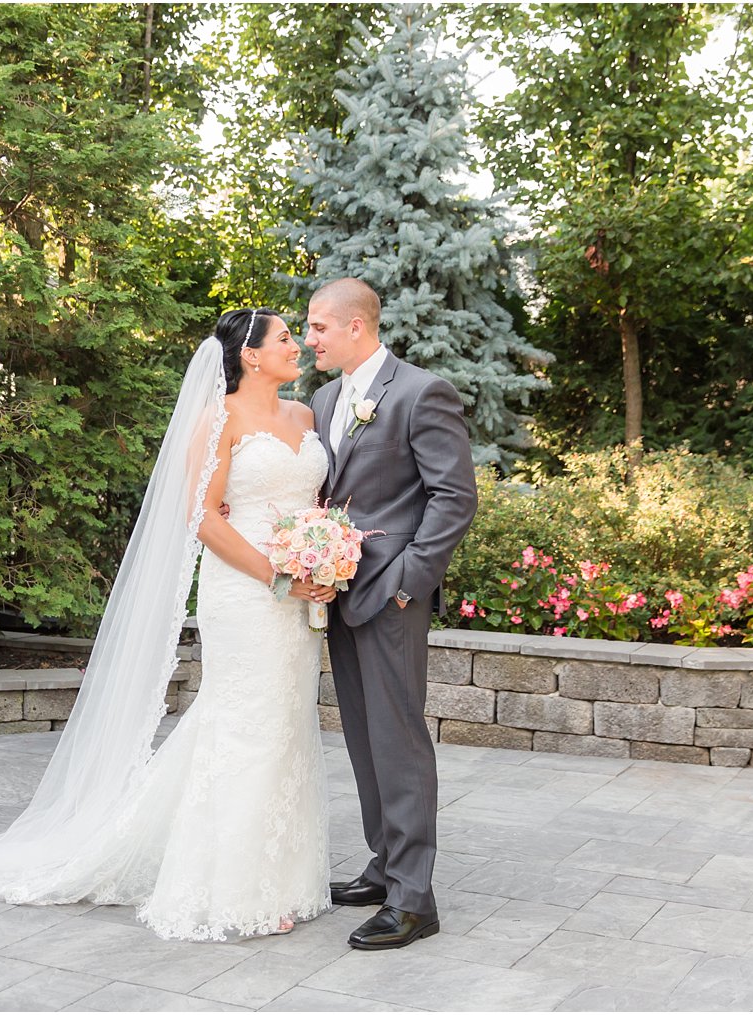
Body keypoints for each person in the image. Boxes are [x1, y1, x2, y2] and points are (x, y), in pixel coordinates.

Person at [0, 308, 336, 941]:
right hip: (249, 592)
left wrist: (321, 552)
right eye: (284, 338)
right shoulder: (216, 419)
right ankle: (234, 886)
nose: (297, 346)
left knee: (285, 724)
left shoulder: (305, 417)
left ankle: (282, 876)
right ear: (250, 355)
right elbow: (202, 518)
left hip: (300, 595)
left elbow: (312, 503)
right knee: (245, 728)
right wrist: (277, 574)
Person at [304, 277, 478, 950]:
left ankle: (414, 898)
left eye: (318, 326)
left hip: (394, 596)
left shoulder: (419, 391)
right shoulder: (323, 398)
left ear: (355, 326)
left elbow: (453, 498)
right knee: (362, 735)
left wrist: (410, 581)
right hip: (341, 590)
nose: (310, 337)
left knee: (399, 739)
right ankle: (383, 867)